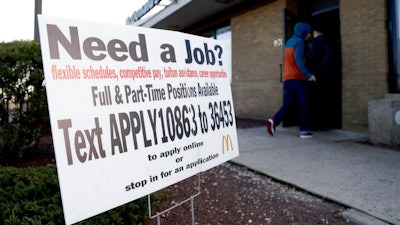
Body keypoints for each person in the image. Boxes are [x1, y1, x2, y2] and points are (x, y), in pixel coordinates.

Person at [267, 22, 316, 138]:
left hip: (287, 78)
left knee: (288, 104)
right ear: (304, 31)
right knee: (304, 104)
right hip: (298, 78)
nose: (309, 34)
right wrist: (308, 75)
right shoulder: (300, 42)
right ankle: (304, 131)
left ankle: (274, 120)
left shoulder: (289, 42)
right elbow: (298, 60)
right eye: (308, 32)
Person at [306, 25, 340, 130]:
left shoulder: (312, 44)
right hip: (332, 75)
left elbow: (310, 61)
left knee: (316, 101)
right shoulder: (334, 42)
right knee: (330, 100)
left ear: (315, 32)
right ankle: (331, 123)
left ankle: (317, 125)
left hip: (317, 76)